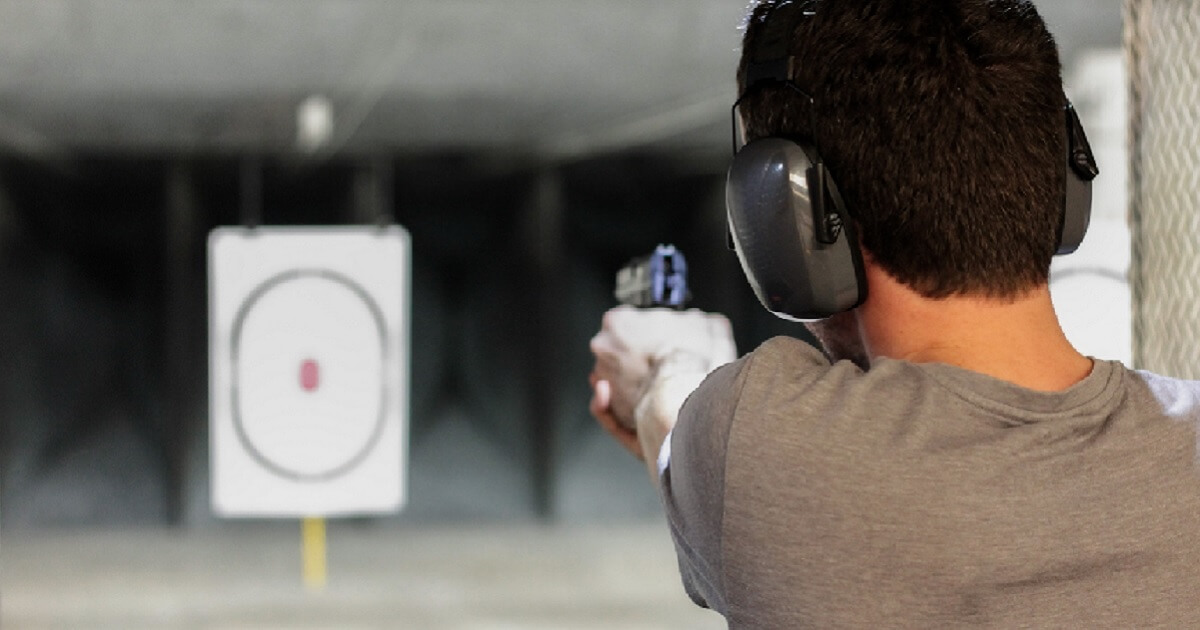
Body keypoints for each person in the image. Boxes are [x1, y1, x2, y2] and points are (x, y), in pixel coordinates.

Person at [588, 0, 1200, 626]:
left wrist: (670, 359)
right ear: (1065, 174)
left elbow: (675, 420)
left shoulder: (752, 442)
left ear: (789, 227)